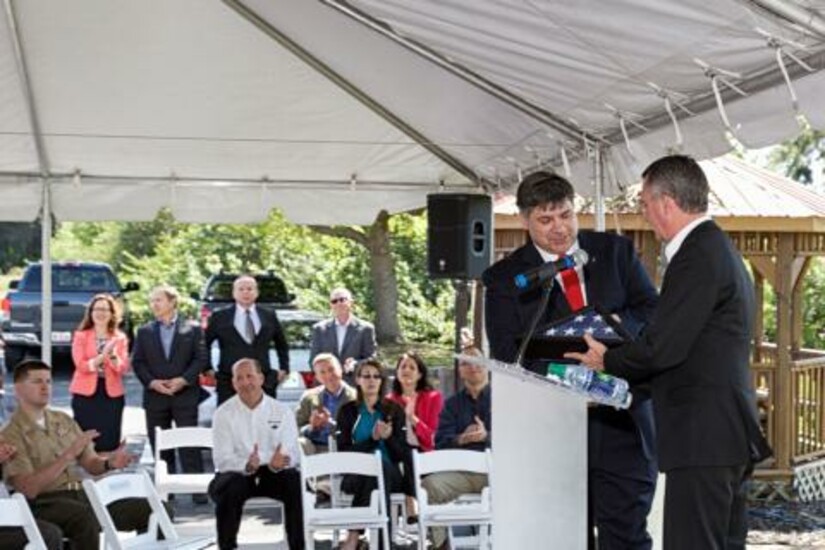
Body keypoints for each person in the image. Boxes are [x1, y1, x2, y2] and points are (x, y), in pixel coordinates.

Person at [567, 155, 771, 550]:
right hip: (723, 433)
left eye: (644, 203)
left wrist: (607, 360)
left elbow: (663, 347)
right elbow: (688, 348)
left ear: (665, 202)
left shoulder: (697, 254)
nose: (644, 213)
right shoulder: (716, 247)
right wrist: (622, 389)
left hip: (704, 436)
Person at [482, 170, 659, 549]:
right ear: (524, 220)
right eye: (545, 220)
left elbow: (651, 310)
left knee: (627, 538)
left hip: (622, 425)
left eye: (566, 215)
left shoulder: (616, 252)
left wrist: (615, 330)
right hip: (553, 432)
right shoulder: (505, 279)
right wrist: (571, 373)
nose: (560, 228)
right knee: (564, 540)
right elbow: (507, 355)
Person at [1, 359, 153, 549]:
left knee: (152, 510)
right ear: (18, 389)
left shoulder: (63, 420)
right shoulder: (10, 434)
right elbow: (28, 489)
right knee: (84, 517)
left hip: (84, 494)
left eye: (48, 381)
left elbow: (91, 463)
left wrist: (109, 462)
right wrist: (68, 455)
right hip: (45, 502)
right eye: (37, 382)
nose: (45, 387)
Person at [208, 358, 304, 550]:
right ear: (233, 383)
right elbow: (222, 459)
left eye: (250, 376)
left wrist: (280, 462)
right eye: (239, 378)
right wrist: (246, 464)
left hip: (273, 472)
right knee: (229, 487)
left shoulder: (282, 411)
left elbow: (293, 452)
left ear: (261, 378)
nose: (245, 382)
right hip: (238, 473)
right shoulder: (223, 413)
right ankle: (227, 547)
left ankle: (298, 546)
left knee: (295, 482)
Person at [131, 285, 208, 504]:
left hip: (185, 394)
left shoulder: (192, 329)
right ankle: (166, 492)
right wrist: (152, 382)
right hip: (155, 397)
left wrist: (183, 380)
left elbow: (201, 359)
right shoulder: (144, 331)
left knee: (189, 443)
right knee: (160, 444)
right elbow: (138, 362)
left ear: (172, 302)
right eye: (152, 301)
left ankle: (198, 490)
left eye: (159, 300)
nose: (154, 304)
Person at [336, 358, 412, 550]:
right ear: (358, 380)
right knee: (375, 470)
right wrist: (372, 439)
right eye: (366, 376)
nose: (371, 380)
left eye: (376, 376)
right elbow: (343, 454)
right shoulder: (347, 411)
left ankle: (353, 537)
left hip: (391, 474)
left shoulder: (394, 410)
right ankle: (383, 544)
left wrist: (388, 438)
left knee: (380, 468)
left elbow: (402, 454)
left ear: (382, 381)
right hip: (355, 474)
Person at [421, 348, 491, 550]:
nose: (472, 366)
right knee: (429, 486)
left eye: (477, 361)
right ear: (460, 371)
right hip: (462, 474)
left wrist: (487, 436)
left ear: (487, 365)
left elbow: (517, 437)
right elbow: (440, 443)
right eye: (466, 363)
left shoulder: (504, 399)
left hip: (498, 473)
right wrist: (461, 438)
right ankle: (441, 544)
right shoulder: (451, 404)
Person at [206, 275, 290, 404]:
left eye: (250, 289)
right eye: (241, 289)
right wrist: (207, 369)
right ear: (234, 293)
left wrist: (284, 368)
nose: (246, 292)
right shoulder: (220, 316)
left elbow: (281, 344)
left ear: (257, 292)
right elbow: (204, 344)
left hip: (263, 381)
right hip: (228, 382)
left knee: (263, 415)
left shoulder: (268, 315)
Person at [385, 351, 444, 522]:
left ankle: (410, 501)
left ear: (420, 374)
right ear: (397, 373)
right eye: (403, 366)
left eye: (412, 367)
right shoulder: (389, 400)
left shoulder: (433, 398)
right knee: (403, 451)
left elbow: (432, 437)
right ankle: (411, 502)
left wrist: (412, 418)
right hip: (397, 456)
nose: (407, 370)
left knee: (410, 454)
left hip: (426, 454)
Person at [68, 293, 130, 452]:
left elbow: (123, 368)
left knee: (109, 441)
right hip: (85, 395)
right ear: (90, 312)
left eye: (105, 309)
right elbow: (81, 365)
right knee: (86, 442)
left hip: (111, 395)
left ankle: (108, 466)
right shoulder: (81, 336)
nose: (100, 313)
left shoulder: (120, 338)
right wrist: (102, 357)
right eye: (96, 309)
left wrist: (113, 356)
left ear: (112, 314)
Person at [0, 433, 64, 550]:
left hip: (8, 511)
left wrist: (5, 456)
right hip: (5, 517)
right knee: (48, 535)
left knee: (52, 530)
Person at [309, 287, 376, 382]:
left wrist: (355, 364)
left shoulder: (366, 329)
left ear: (351, 303)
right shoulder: (319, 329)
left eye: (342, 300)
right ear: (331, 305)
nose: (338, 303)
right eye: (334, 301)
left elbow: (371, 359)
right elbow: (313, 360)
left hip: (353, 383)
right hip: (327, 383)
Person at [296, 353, 357, 456]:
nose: (328, 375)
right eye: (322, 372)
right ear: (317, 377)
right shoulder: (308, 397)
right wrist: (312, 427)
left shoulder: (356, 397)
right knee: (300, 443)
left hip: (345, 449)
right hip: (315, 448)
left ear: (341, 369)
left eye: (331, 369)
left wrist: (332, 424)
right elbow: (295, 428)